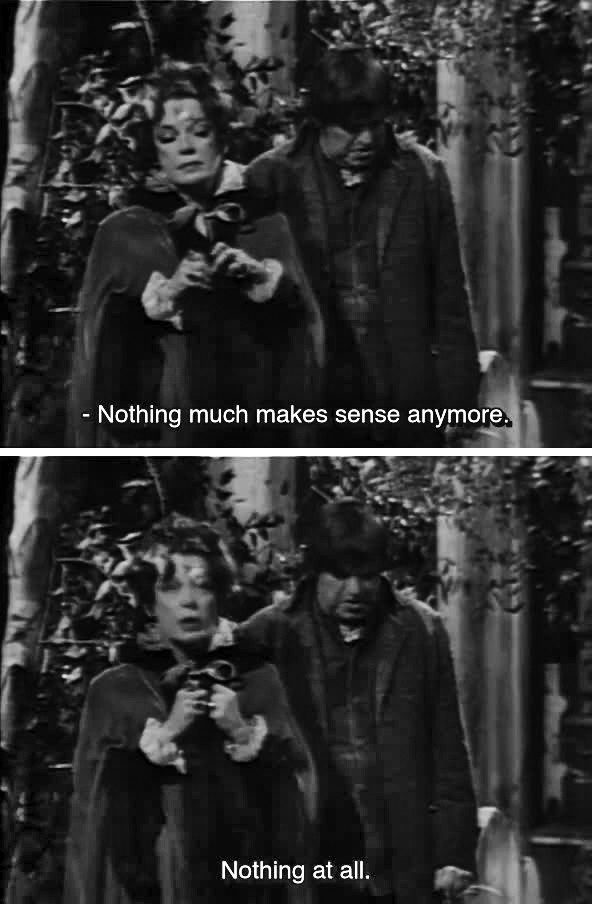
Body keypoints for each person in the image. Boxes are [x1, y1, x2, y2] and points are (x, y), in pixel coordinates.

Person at [63, 516, 315, 904]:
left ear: (220, 594)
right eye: (170, 587)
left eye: (203, 585)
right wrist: (165, 735)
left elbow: (298, 803)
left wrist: (242, 733)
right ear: (148, 599)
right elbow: (90, 822)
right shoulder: (115, 691)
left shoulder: (259, 680)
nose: (189, 601)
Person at [69, 64, 323, 448]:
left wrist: (266, 286)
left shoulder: (269, 224)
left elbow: (305, 348)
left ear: (221, 140)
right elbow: (102, 371)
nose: (186, 147)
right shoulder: (126, 233)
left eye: (200, 132)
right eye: (168, 138)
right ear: (154, 150)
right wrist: (165, 299)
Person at [241, 499, 478, 904]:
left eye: (367, 576)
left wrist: (453, 853)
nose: (355, 590)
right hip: (308, 859)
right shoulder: (267, 634)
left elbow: (448, 750)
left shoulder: (421, 630)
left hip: (398, 858)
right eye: (340, 575)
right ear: (315, 571)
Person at [246, 47, 480, 446]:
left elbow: (450, 300)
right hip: (314, 394)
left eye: (376, 124)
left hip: (404, 392)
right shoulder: (271, 178)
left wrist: (460, 404)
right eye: (352, 129)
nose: (368, 139)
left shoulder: (423, 174)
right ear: (319, 121)